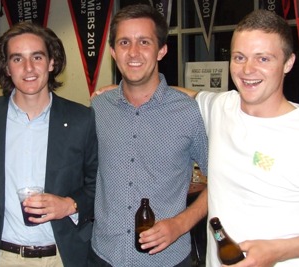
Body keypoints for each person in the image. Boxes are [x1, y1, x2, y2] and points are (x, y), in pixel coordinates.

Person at [96, 8, 299, 267]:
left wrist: (279, 251)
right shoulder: (220, 107)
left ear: (289, 62)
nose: (248, 69)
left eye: (263, 59)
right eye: (239, 57)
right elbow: (181, 95)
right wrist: (125, 86)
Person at [0, 21, 98, 267]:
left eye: (37, 57)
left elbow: (98, 183)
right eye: (17, 59)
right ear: (6, 67)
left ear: (51, 62)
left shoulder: (81, 119)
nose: (28, 67)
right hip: (0, 257)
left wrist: (70, 204)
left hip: (61, 258)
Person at [89, 4, 208, 267]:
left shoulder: (189, 112)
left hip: (168, 259)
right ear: (112, 52)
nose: (133, 52)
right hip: (104, 256)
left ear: (161, 50)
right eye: (124, 42)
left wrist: (180, 224)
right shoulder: (98, 108)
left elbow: (222, 182)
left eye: (144, 42)